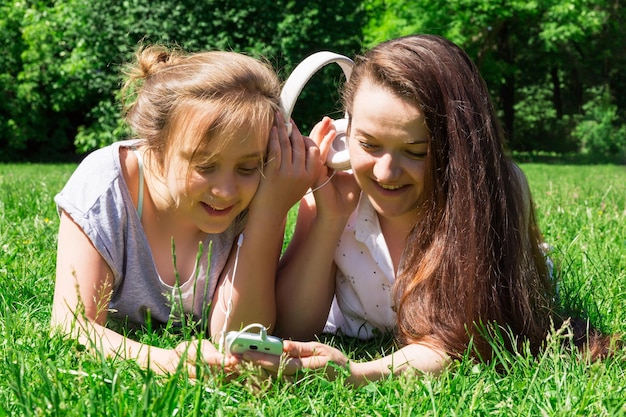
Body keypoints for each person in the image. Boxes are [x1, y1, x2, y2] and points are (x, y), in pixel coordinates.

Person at [249, 34, 615, 385]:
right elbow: (295, 327)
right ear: (346, 133)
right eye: (369, 144)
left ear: (459, 149)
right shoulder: (335, 187)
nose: (386, 172)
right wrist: (329, 218)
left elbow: (460, 342)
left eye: (416, 151)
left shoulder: (490, 192)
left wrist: (356, 373)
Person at [50, 44, 321, 376]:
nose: (226, 191)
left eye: (247, 168)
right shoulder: (106, 186)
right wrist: (165, 360)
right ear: (156, 147)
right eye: (205, 167)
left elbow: (237, 333)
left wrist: (268, 214)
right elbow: (71, 326)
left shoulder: (262, 192)